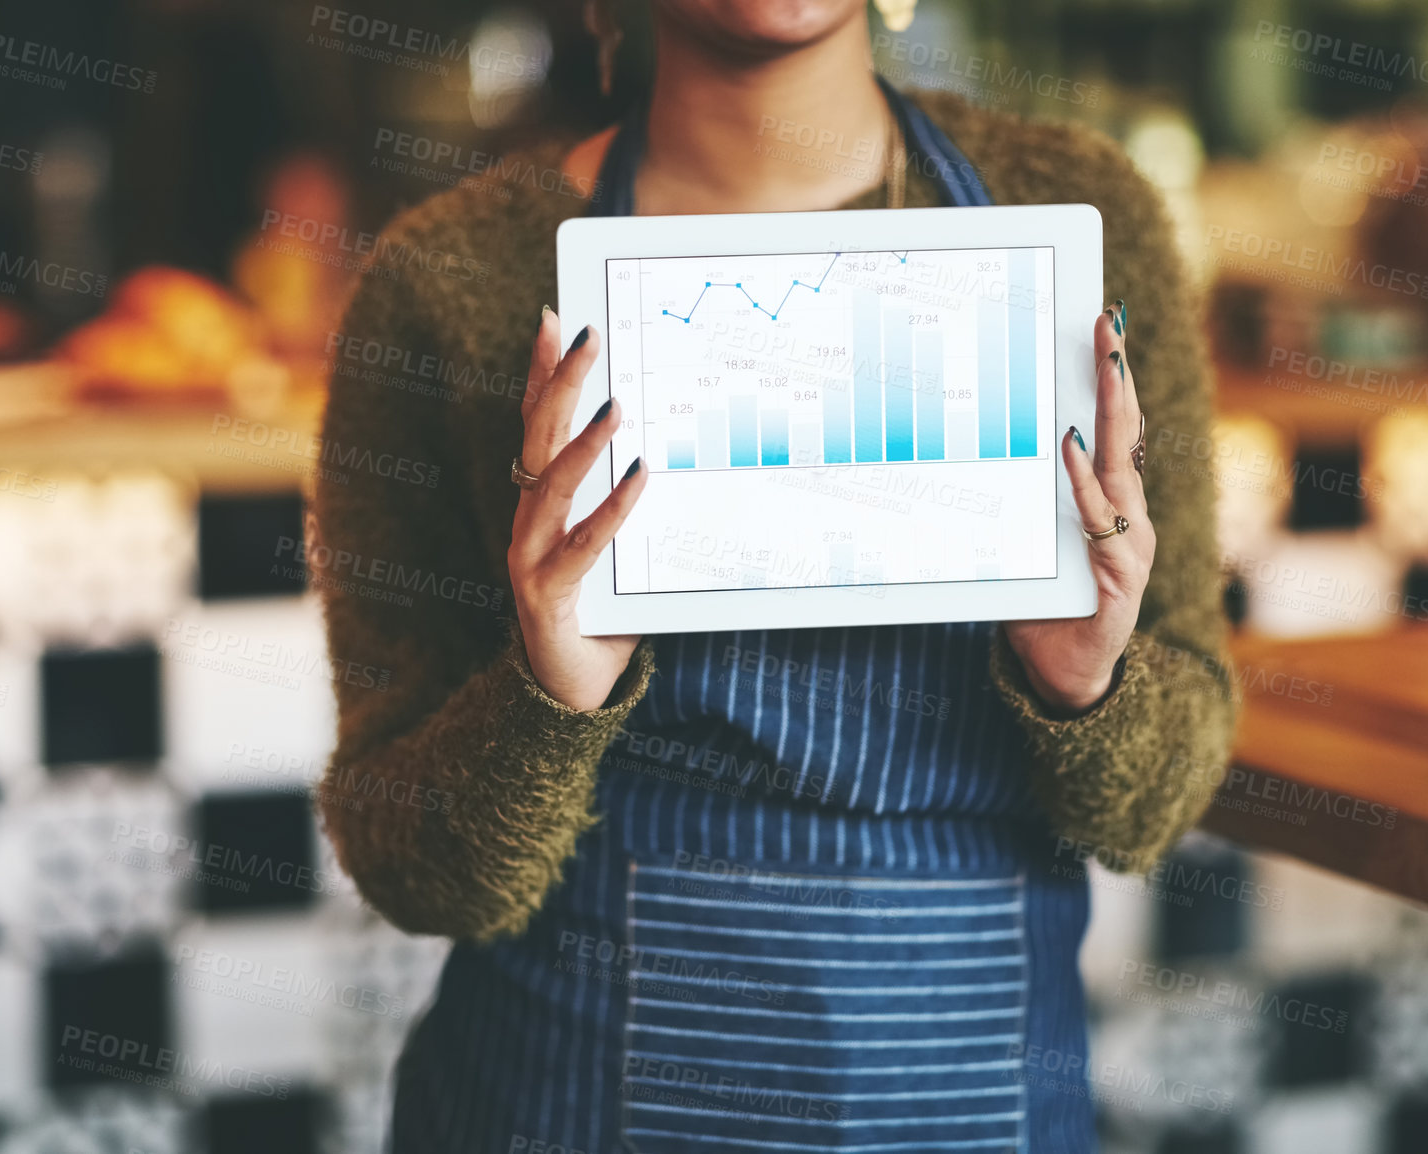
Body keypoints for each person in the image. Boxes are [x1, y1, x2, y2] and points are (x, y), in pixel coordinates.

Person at [315, 1, 1235, 1149]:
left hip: (971, 1089)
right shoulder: (445, 280)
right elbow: (415, 872)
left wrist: (1091, 680)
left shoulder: (1085, 218)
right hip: (568, 1088)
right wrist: (547, 693)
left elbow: (1159, 805)